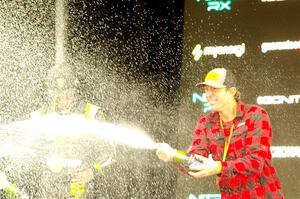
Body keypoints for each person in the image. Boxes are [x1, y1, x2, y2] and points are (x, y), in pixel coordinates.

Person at [156, 68, 284, 198]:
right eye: (206, 89)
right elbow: (195, 163)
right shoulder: (206, 123)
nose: (208, 94)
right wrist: (173, 155)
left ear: (232, 91)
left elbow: (256, 162)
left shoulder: (255, 115)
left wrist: (218, 167)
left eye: (215, 89)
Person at [29, 64, 116, 198]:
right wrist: (45, 161)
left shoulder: (92, 114)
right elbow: (26, 155)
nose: (63, 100)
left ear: (75, 91)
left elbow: (110, 154)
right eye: (57, 95)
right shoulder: (39, 116)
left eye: (67, 95)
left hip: (83, 192)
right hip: (48, 193)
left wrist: (92, 171)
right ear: (50, 93)